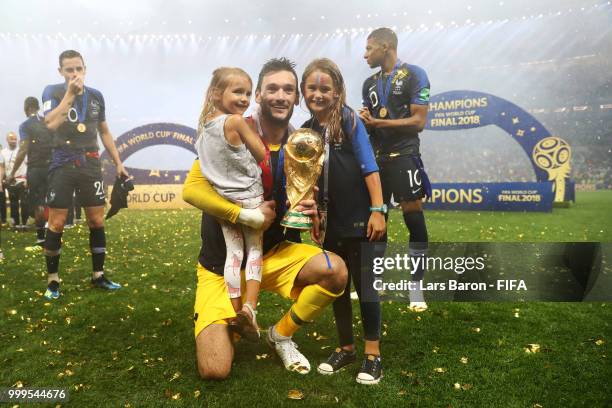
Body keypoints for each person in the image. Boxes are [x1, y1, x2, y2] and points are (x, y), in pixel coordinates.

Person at [182, 58, 348, 380]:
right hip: (220, 265)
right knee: (214, 369)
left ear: (296, 97)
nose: (280, 96)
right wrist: (247, 215)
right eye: (272, 89)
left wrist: (311, 213)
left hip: (270, 256)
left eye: (288, 89)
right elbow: (192, 190)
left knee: (335, 271)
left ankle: (280, 335)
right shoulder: (231, 130)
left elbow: (298, 202)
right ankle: (228, 317)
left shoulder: (301, 144)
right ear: (258, 95)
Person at [300, 58, 386, 384]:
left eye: (325, 88)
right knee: (338, 287)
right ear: (304, 91)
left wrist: (378, 210)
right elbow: (309, 179)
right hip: (331, 223)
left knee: (366, 288)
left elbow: (369, 167)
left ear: (337, 91)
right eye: (312, 88)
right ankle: (346, 348)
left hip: (362, 220)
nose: (318, 94)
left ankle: (373, 354)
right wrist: (315, 217)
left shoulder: (349, 121)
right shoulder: (307, 131)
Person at [41, 49, 129, 299]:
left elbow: (105, 131)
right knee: (57, 222)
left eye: (79, 68)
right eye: (69, 69)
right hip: (62, 164)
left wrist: (118, 162)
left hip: (90, 164)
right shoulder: (52, 91)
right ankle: (53, 281)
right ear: (61, 72)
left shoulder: (96, 96)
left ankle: (98, 276)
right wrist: (70, 93)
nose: (75, 73)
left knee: (96, 221)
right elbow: (50, 123)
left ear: (85, 69)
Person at [359, 27, 432, 311]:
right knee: (379, 222)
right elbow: (370, 119)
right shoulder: (369, 83)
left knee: (414, 220)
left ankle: (416, 288)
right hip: (377, 160)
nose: (365, 55)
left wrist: (378, 123)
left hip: (404, 155)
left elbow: (418, 122)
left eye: (369, 49)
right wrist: (365, 119)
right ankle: (376, 282)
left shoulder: (415, 74)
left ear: (386, 46)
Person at [195, 67, 267, 341]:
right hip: (250, 199)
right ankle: (249, 309)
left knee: (233, 256)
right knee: (254, 254)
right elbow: (260, 153)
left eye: (248, 93)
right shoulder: (236, 122)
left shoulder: (203, 130)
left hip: (225, 203)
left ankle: (235, 314)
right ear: (216, 93)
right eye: (238, 91)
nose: (245, 98)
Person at [9, 97, 53, 246]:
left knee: (39, 202)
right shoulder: (46, 122)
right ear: (38, 107)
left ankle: (41, 237)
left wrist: (12, 172)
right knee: (50, 201)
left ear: (26, 108)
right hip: (51, 167)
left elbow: (23, 150)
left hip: (36, 168)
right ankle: (52, 233)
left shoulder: (25, 126)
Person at [1, 132, 28, 229]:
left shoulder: (22, 151)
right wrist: (1, 181)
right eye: (11, 139)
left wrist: (27, 180)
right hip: (10, 182)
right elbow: (2, 167)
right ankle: (15, 224)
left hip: (21, 180)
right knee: (13, 204)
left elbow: (28, 165)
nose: (14, 141)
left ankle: (24, 223)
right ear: (7, 140)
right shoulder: (3, 152)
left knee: (24, 203)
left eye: (15, 139)